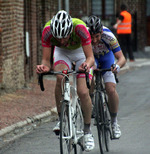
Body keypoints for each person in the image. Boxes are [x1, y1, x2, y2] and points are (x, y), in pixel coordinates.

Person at [36, 10, 95, 152]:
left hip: (81, 52)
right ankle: (62, 118)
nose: (62, 41)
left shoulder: (80, 28)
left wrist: (86, 65)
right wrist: (44, 67)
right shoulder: (47, 31)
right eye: (59, 38)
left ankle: (87, 131)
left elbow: (91, 58)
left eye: (65, 37)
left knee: (82, 91)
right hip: (62, 52)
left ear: (71, 30)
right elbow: (46, 60)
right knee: (61, 78)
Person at [86, 15, 126, 139]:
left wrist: (117, 66)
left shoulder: (109, 36)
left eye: (97, 37)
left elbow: (122, 58)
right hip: (93, 60)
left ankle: (114, 122)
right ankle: (91, 102)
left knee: (110, 89)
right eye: (91, 37)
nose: (94, 40)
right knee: (89, 74)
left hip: (106, 59)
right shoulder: (83, 35)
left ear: (101, 32)